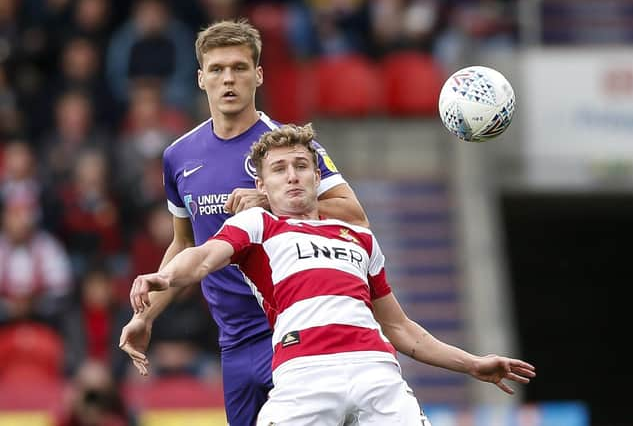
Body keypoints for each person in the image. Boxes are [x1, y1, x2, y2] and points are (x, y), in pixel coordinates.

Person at [129, 123, 536, 425]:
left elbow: (403, 330)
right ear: (262, 185)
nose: (292, 175)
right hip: (303, 376)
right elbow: (201, 257)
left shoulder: (359, 237)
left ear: (317, 176)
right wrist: (165, 278)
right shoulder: (258, 224)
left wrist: (472, 364)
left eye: (301, 166)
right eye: (280, 169)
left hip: (376, 373)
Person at [118, 19, 368, 426]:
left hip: (295, 331)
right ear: (201, 79)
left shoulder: (287, 147)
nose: (228, 79)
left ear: (259, 75)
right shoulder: (178, 156)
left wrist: (271, 200)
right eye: (217, 70)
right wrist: (145, 315)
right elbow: (184, 245)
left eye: (239, 68)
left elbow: (355, 215)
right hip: (233, 344)